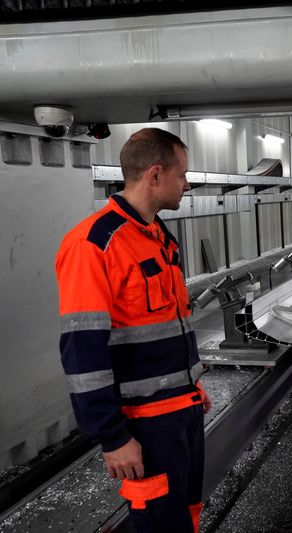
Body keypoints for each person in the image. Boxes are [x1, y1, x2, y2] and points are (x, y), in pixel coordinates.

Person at [55, 128, 211, 533]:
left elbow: (168, 323)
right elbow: (82, 351)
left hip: (183, 411)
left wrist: (192, 383)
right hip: (146, 423)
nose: (187, 184)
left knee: (187, 512)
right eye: (183, 175)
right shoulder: (94, 245)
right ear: (155, 176)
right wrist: (112, 437)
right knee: (160, 522)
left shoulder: (159, 237)